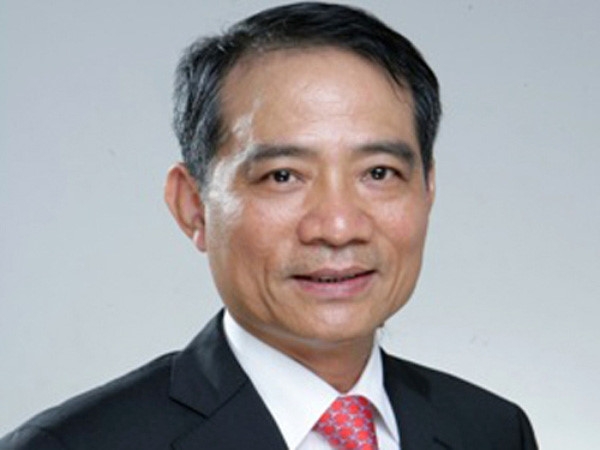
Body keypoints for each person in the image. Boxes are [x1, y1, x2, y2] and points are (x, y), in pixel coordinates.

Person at [1, 3, 537, 449]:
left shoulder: (492, 431)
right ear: (192, 206)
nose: (338, 227)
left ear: (428, 189)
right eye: (283, 176)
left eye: (378, 173)